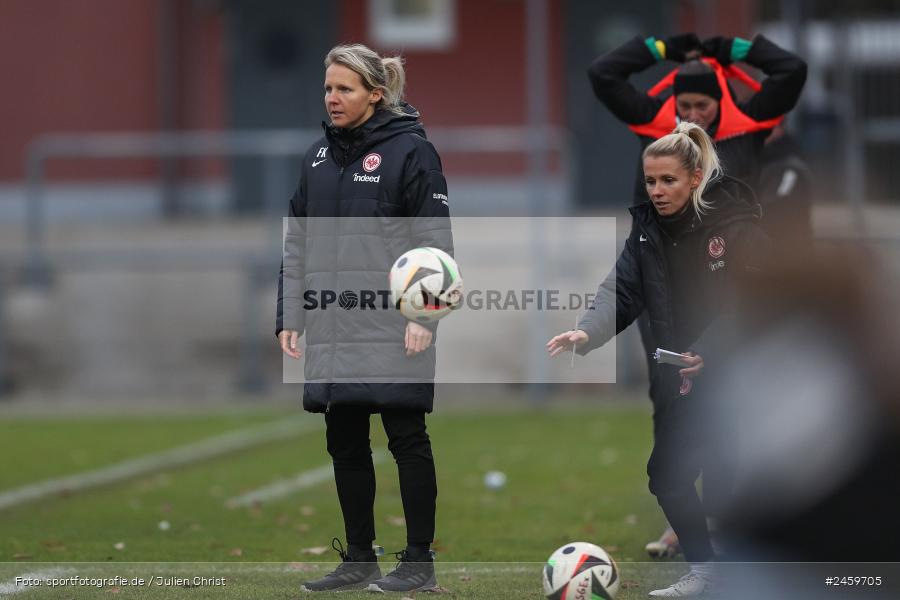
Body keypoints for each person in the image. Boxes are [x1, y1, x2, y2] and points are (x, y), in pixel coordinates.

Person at [588, 32, 806, 557]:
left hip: (726, 287)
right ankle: (686, 519)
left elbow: (791, 71)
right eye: (683, 105)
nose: (692, 114)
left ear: (719, 101)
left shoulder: (746, 124)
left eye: (702, 105)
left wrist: (735, 48)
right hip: (663, 290)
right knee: (671, 402)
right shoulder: (658, 132)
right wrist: (660, 47)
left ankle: (737, 524)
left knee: (731, 402)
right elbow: (604, 74)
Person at [548, 122, 769, 597]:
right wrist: (586, 331)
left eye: (668, 180)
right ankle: (710, 573)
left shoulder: (735, 225)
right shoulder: (647, 231)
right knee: (667, 475)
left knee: (738, 479)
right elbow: (620, 289)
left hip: (741, 374)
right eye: (650, 181)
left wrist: (712, 350)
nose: (657, 190)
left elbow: (754, 301)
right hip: (685, 375)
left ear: (694, 178)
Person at [276, 43, 452, 594]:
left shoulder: (413, 153)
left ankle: (418, 563)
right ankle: (358, 559)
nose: (332, 98)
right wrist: (291, 313)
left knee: (406, 436)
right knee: (344, 441)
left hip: (393, 324)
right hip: (332, 324)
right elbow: (297, 244)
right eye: (328, 88)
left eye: (345, 89)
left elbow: (434, 243)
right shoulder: (316, 159)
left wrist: (425, 316)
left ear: (376, 94)